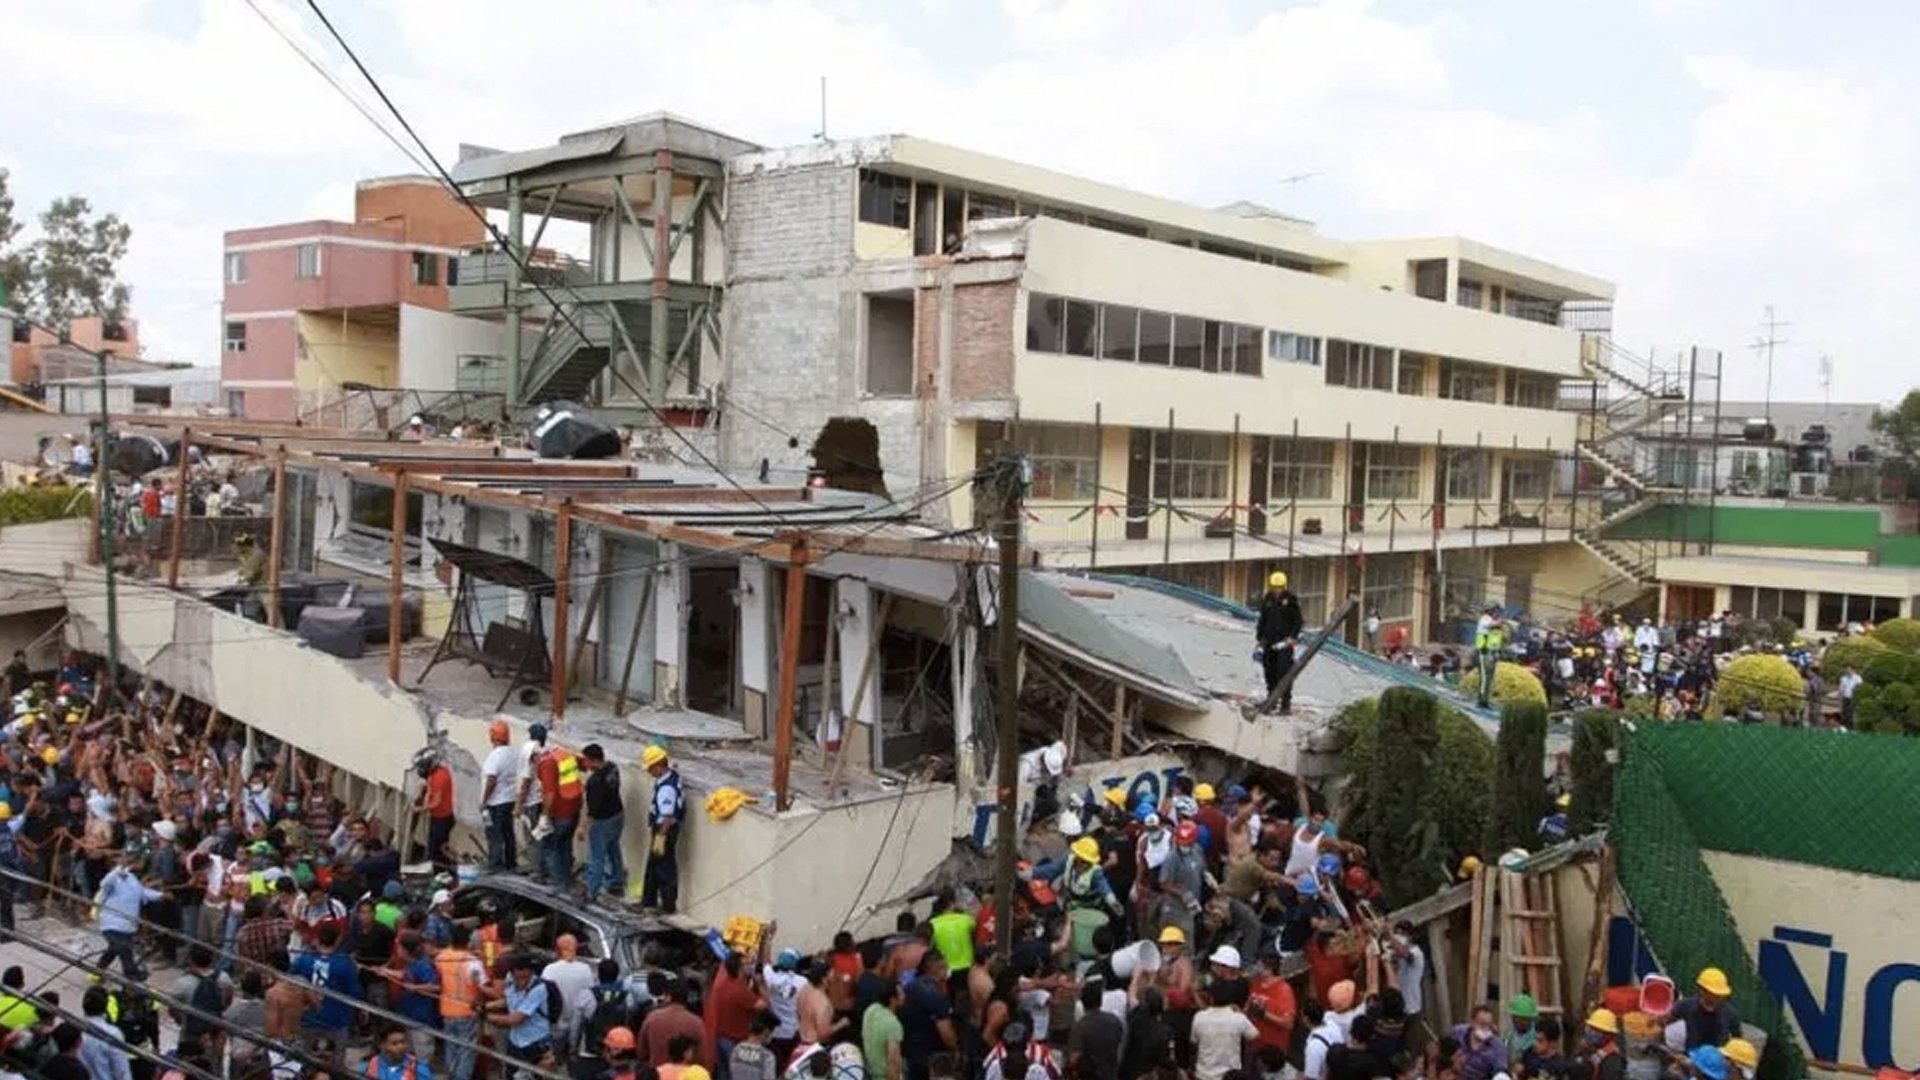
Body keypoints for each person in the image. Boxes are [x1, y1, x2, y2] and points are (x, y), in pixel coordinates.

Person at [96, 852, 162, 981]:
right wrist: (118, 869)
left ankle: (98, 970)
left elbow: (142, 892)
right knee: (124, 949)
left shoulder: (131, 877)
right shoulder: (111, 880)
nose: (124, 861)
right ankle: (131, 974)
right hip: (112, 924)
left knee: (114, 949)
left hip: (128, 925)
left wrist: (160, 895)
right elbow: (104, 884)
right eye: (120, 860)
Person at [434, 925, 487, 1080]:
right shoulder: (473, 962)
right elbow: (483, 986)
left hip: (446, 1011)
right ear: (469, 941)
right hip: (468, 1013)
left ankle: (450, 1076)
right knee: (466, 1051)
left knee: (451, 1048)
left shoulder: (441, 957)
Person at [580, 744, 628, 901]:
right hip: (617, 815)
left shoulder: (594, 781)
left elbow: (592, 811)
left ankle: (591, 892)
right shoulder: (613, 768)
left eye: (586, 761)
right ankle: (617, 883)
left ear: (592, 760)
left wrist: (582, 828)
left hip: (602, 822)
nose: (584, 764)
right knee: (614, 850)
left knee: (597, 857)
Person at [1255, 572, 1304, 715]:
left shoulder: (1290, 600)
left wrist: (1292, 637)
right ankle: (1271, 699)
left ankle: (1285, 704)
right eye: (1274, 587)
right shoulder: (1268, 599)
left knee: (1283, 671)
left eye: (1279, 587)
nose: (1277, 590)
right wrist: (1260, 639)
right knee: (1269, 670)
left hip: (1284, 643)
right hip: (1269, 641)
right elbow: (1262, 620)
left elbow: (1298, 621)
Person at [493, 955, 555, 1068]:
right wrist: (485, 1006)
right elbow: (508, 999)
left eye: (525, 975)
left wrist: (489, 1017)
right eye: (518, 975)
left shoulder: (539, 988)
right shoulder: (512, 982)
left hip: (536, 1042)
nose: (522, 979)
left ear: (531, 972)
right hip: (516, 1041)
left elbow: (517, 1019)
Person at [641, 746, 683, 913]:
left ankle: (668, 906)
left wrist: (660, 838)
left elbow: (668, 816)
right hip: (663, 829)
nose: (649, 772)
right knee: (654, 865)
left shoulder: (667, 788)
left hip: (664, 830)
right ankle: (648, 901)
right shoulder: (670, 777)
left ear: (659, 765)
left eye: (651, 768)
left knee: (664, 868)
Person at [544, 935, 598, 1058]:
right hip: (578, 1027)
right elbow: (590, 997)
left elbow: (544, 997)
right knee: (573, 1059)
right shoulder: (586, 969)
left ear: (558, 949)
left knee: (555, 1059)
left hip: (556, 1026)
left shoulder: (549, 970)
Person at [481, 719, 521, 871]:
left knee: (494, 835)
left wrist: (484, 800)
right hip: (509, 800)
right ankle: (511, 863)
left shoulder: (495, 756)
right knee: (508, 833)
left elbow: (491, 780)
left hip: (495, 803)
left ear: (493, 737)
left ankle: (495, 865)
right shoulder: (513, 753)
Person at [1668, 969, 1739, 1050]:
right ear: (1702, 990)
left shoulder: (1729, 1013)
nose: (1719, 997)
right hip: (1688, 1057)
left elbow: (1737, 1041)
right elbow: (1664, 1025)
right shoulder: (1685, 1006)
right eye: (1715, 993)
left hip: (1717, 1059)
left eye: (1721, 994)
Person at [1068, 982, 1124, 1080]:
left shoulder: (1081, 1026)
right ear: (1100, 1001)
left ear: (1082, 1002)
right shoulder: (1114, 1020)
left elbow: (1074, 1058)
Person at [414, 752, 456, 875]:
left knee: (436, 852)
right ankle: (441, 871)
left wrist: (420, 809)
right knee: (439, 848)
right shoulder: (439, 772)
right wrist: (424, 794)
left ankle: (440, 873)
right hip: (440, 817)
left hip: (442, 819)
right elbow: (429, 788)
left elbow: (436, 802)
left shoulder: (439, 778)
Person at [862, 981, 905, 1080]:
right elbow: (893, 1061)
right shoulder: (893, 1025)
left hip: (869, 1073)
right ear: (893, 1000)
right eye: (902, 993)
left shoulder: (870, 1010)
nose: (905, 996)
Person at [366, 1024, 436, 1080]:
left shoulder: (419, 1068)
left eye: (403, 1042)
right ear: (382, 1045)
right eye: (394, 1043)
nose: (400, 1047)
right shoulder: (368, 1065)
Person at [1577, 1010, 1623, 1080]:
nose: (1590, 1031)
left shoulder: (1612, 1060)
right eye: (1590, 1027)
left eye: (1596, 1030)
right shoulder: (1589, 1049)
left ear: (1607, 1035)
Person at [1475, 606, 1505, 709]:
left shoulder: (1496, 626)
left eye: (1499, 613)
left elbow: (1496, 641)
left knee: (1489, 680)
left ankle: (1485, 700)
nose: (1498, 615)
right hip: (1483, 653)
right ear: (1491, 612)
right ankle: (1481, 701)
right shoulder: (1485, 618)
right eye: (1496, 612)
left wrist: (1496, 653)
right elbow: (1492, 624)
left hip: (1491, 655)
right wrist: (1500, 622)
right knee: (1484, 678)